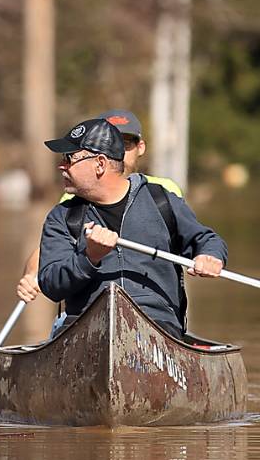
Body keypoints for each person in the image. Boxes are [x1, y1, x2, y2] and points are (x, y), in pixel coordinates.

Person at [35, 117, 225, 337]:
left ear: (100, 164)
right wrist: (88, 258)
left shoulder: (162, 200)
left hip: (159, 327)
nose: (62, 166)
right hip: (85, 329)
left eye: (70, 158)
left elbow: (208, 240)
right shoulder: (62, 216)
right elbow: (50, 284)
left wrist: (211, 257)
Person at [16, 110, 180, 303]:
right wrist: (32, 275)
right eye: (112, 141)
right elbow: (50, 250)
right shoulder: (75, 195)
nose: (117, 149)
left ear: (140, 147)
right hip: (92, 301)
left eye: (125, 144)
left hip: (154, 305)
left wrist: (207, 256)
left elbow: (195, 240)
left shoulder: (163, 192)